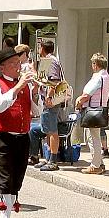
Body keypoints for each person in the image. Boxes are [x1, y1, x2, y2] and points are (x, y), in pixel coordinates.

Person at [0, 47, 39, 218]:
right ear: (2, 67)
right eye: (14, 64)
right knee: (6, 180)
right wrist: (18, 88)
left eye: (19, 63)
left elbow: (36, 110)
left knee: (16, 181)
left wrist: (36, 92)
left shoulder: (23, 84)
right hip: (2, 136)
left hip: (22, 136)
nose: (18, 67)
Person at [75, 53, 109, 175]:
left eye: (93, 63)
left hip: (93, 110)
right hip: (100, 109)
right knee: (95, 137)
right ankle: (99, 163)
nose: (92, 66)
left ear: (96, 64)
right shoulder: (106, 76)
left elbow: (87, 95)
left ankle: (95, 165)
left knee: (93, 138)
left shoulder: (98, 77)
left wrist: (79, 101)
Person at [34, 40, 63, 171]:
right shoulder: (47, 60)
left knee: (52, 131)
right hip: (45, 99)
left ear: (42, 48)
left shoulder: (51, 61)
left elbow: (54, 81)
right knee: (47, 130)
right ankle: (47, 158)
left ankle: (53, 160)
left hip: (50, 101)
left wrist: (49, 97)